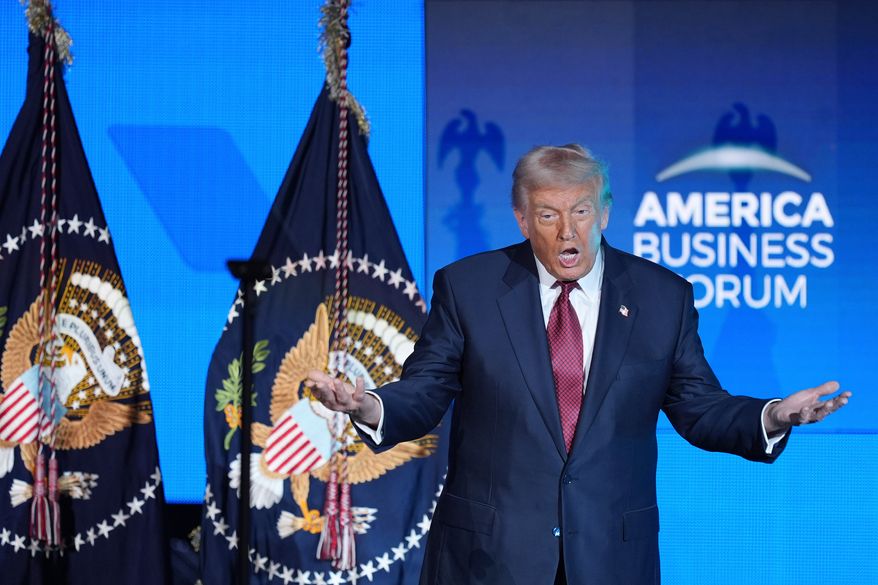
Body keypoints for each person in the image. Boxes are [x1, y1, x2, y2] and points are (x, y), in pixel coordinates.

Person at [307, 144, 850, 584]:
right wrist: (368, 403)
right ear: (523, 219)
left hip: (612, 560)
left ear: (604, 213)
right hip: (490, 560)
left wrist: (774, 416)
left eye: (581, 211)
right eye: (548, 214)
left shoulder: (663, 298)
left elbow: (699, 407)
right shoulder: (468, 289)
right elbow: (425, 388)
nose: (568, 231)